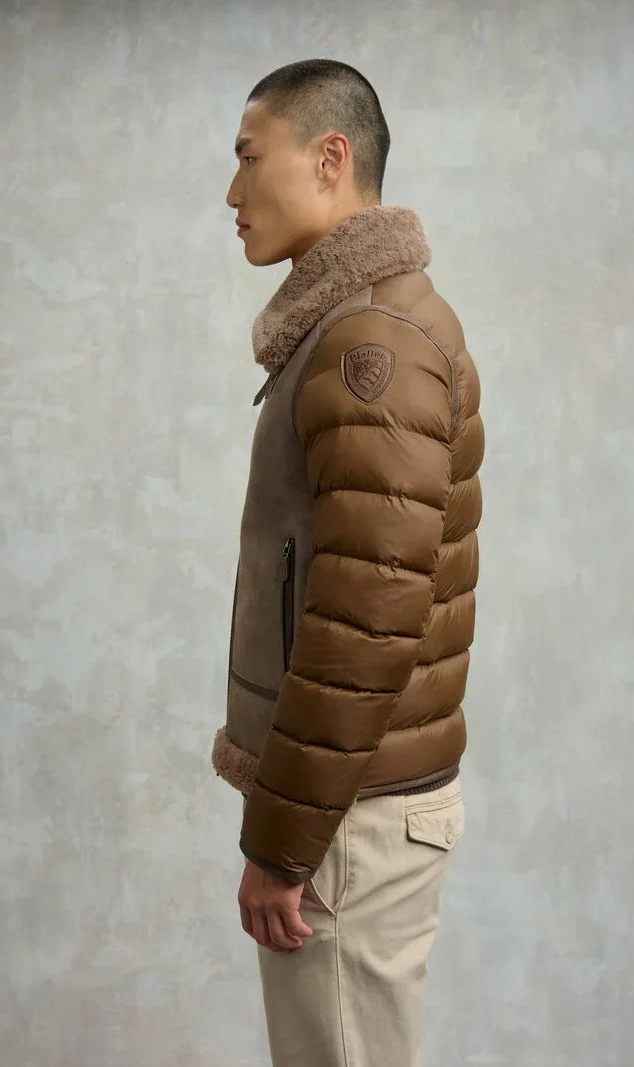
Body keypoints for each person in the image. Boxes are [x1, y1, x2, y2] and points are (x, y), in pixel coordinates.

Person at [211, 57, 484, 1067]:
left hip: (346, 824)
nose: (231, 192)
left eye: (249, 158)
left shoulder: (369, 338)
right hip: (350, 805)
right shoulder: (356, 321)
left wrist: (283, 842)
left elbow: (365, 620)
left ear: (330, 158)